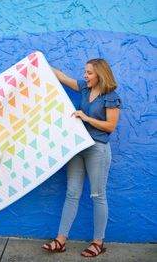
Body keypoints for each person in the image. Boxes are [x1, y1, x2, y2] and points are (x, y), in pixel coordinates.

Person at [42, 58, 121, 257]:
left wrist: (86, 118)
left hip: (97, 149)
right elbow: (62, 77)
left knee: (98, 196)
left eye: (89, 73)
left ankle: (98, 242)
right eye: (85, 72)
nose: (85, 76)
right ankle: (60, 240)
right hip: (77, 148)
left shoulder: (111, 97)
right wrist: (38, 60)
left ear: (100, 75)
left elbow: (110, 127)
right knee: (72, 193)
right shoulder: (85, 88)